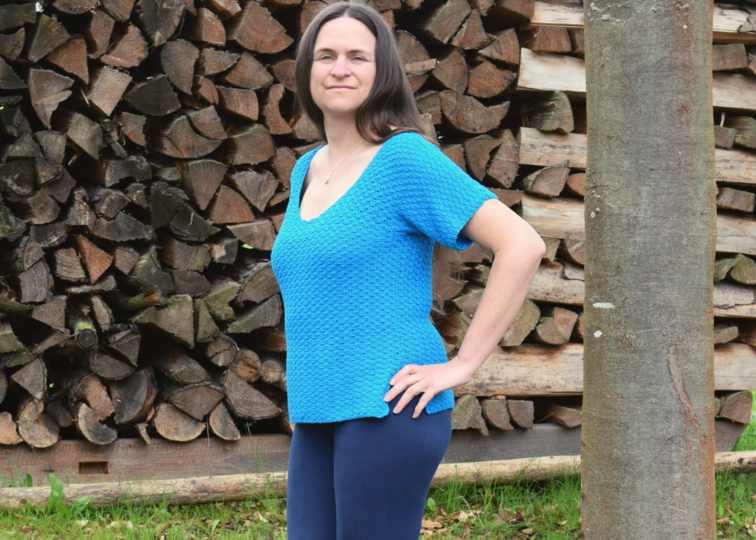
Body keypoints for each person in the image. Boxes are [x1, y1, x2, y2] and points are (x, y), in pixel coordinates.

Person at [269, 1, 546, 538]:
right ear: (307, 70)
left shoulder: (402, 159)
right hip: (317, 411)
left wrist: (462, 365)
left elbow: (521, 243)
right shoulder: (307, 168)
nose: (340, 68)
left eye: (358, 56)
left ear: (383, 73)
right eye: (326, 56)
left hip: (389, 407)